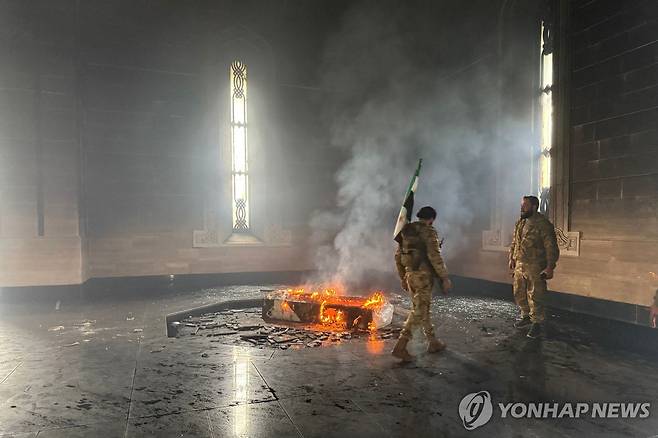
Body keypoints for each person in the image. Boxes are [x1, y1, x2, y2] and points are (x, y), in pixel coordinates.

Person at [392, 206, 452, 362]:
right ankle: (401, 346)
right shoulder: (429, 232)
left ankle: (433, 342)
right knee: (419, 310)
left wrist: (402, 277)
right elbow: (434, 256)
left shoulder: (406, 231)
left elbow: (398, 256)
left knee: (423, 308)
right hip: (423, 276)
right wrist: (444, 277)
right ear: (431, 219)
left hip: (410, 275)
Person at [509, 196, 559, 339]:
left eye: (525, 205)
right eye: (521, 205)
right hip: (520, 264)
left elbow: (551, 248)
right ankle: (525, 316)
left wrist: (550, 267)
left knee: (536, 294)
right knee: (519, 291)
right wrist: (511, 258)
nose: (522, 208)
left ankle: (536, 323)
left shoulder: (543, 224)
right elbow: (515, 242)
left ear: (534, 206)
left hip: (535, 265)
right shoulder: (520, 222)